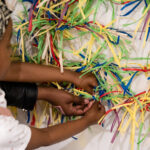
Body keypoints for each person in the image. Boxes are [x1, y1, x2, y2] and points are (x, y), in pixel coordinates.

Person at [0, 1, 105, 150]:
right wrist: (87, 121)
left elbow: (11, 73)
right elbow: (45, 137)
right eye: (7, 46)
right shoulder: (3, 133)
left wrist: (69, 80)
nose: (10, 52)